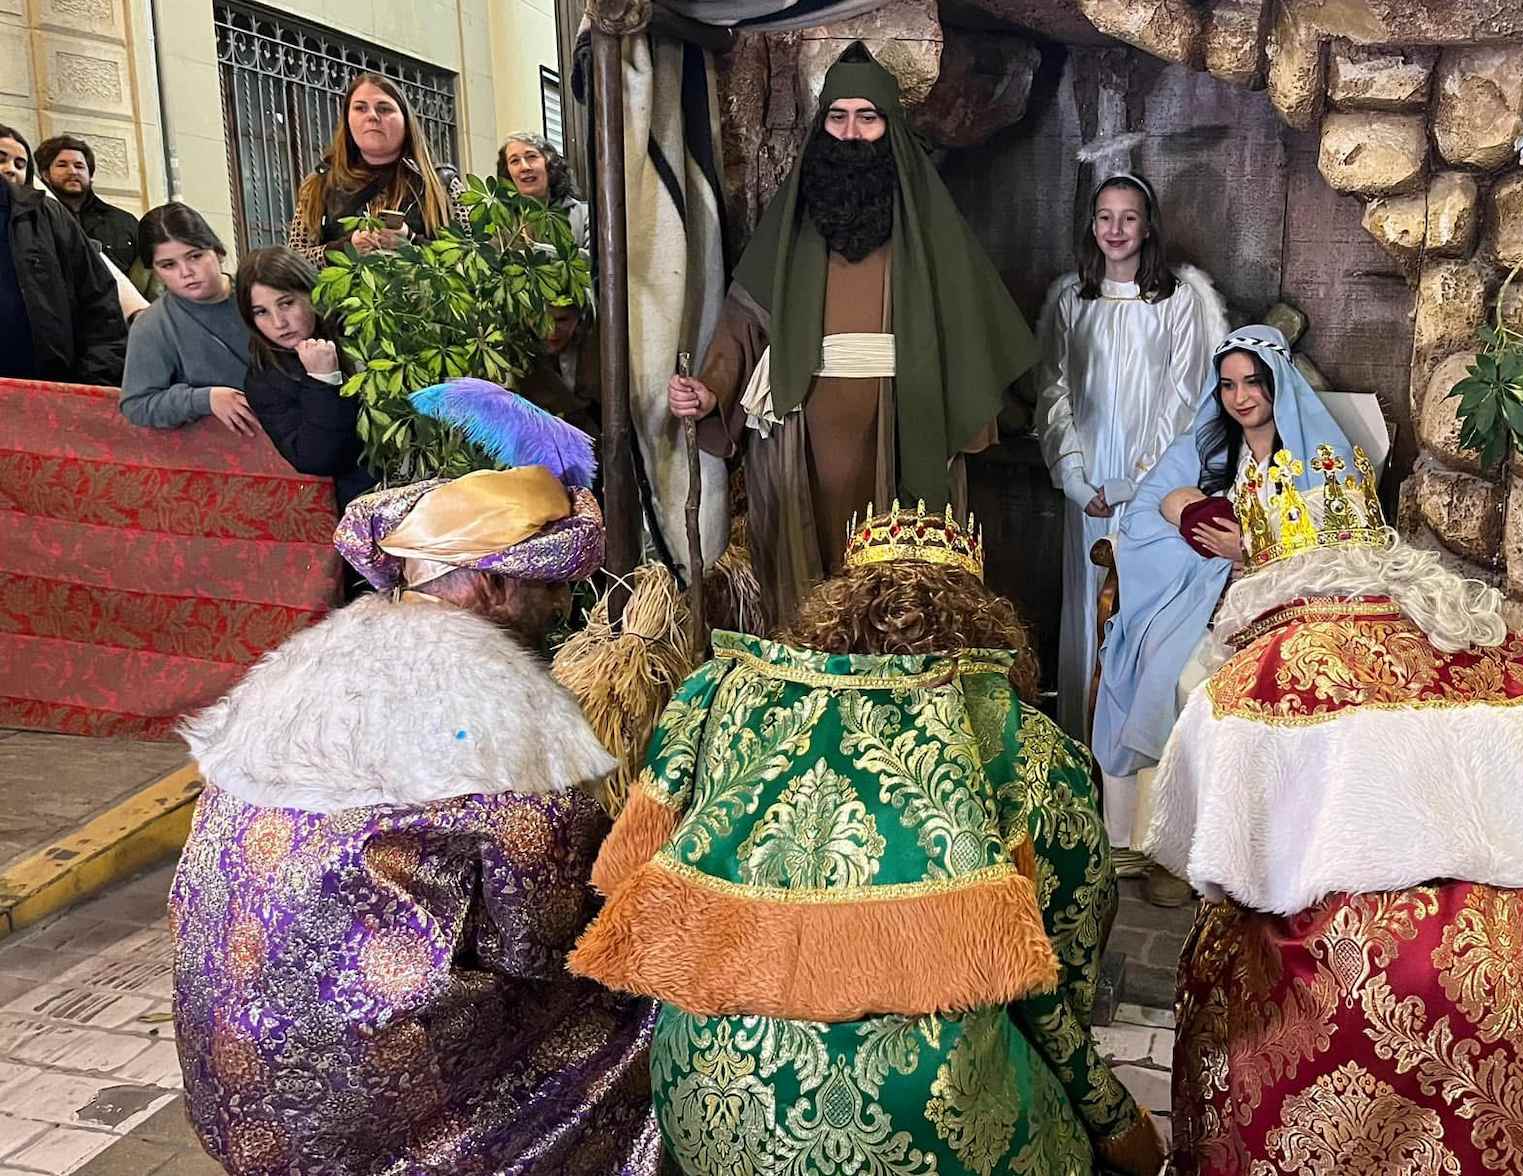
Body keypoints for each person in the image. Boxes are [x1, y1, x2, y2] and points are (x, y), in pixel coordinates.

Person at [1145, 451, 1523, 1175]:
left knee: (1230, 953)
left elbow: (1195, 850)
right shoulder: (1491, 641)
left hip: (1379, 981)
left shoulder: (1258, 673)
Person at [568, 503, 1163, 1176]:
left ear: (834, 610)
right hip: (932, 1115)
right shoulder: (1027, 747)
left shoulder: (719, 699)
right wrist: (1114, 1120)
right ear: (984, 616)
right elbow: (1057, 976)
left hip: (714, 1100)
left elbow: (627, 883)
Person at [172, 390, 662, 1174]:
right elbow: (542, 940)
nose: (564, 606)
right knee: (644, 1009)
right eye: (553, 586)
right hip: (350, 1111)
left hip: (229, 1080)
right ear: (493, 587)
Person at [666, 44, 1037, 626]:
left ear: (891, 128)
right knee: (807, 594)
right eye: (837, 117)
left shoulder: (929, 220)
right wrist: (710, 388)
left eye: (868, 117)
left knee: (901, 594)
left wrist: (1009, 403)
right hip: (800, 433)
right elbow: (745, 320)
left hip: (901, 423)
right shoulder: (791, 220)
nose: (851, 132)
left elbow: (975, 319)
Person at [1092, 325, 1351, 898]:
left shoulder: (1320, 454)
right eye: (1229, 385)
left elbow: (1343, 545)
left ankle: (1226, 853)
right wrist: (1187, 513)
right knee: (1166, 670)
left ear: (1276, 382)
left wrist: (1252, 548)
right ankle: (1161, 846)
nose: (1241, 397)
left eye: (1253, 383)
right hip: (1208, 599)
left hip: (1290, 605)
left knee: (1211, 689)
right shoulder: (1210, 445)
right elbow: (1148, 507)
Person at [1035, 170, 1226, 755]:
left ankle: (1126, 755)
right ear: (1092, 227)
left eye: (1129, 218)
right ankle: (1078, 746)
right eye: (1105, 217)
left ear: (1147, 228)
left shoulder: (1177, 302)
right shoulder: (1071, 301)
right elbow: (1054, 390)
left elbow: (1183, 396)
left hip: (1151, 484)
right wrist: (1075, 477)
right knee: (1086, 601)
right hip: (1087, 480)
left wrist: (1136, 483)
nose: (1115, 229)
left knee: (1140, 600)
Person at [235, 246, 375, 508]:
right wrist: (323, 381)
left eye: (286, 303)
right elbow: (316, 459)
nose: (279, 323)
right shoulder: (264, 378)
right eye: (261, 312)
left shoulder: (360, 318)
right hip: (366, 496)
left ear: (312, 293)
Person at [288, 73, 460, 265]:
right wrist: (345, 248)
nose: (372, 116)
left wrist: (411, 241)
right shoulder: (318, 184)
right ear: (347, 119)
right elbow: (294, 263)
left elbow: (472, 260)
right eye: (360, 108)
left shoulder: (443, 183)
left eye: (384, 109)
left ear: (406, 120)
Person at [0, 123, 125, 383]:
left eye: (21, 164)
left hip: (46, 383)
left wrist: (95, 377)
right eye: (1, 159)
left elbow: (99, 299)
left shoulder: (51, 216)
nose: (11, 169)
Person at [120, 203, 258, 435]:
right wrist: (204, 399)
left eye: (195, 256)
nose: (186, 272)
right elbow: (136, 405)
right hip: (226, 445)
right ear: (155, 271)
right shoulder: (152, 326)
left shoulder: (261, 295)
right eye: (168, 265)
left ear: (218, 252)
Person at [33, 133, 142, 281]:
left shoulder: (123, 221)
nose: (72, 171)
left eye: (79, 166)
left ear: (90, 175)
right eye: (62, 165)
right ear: (46, 175)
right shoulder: (34, 220)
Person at [498, 131, 590, 252]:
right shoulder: (499, 222)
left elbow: (596, 259)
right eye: (515, 161)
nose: (524, 167)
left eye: (531, 157)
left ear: (549, 164)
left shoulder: (584, 215)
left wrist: (535, 249)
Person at [516, 302, 599, 435]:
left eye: (561, 320)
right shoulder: (518, 358)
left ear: (578, 318)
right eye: (542, 320)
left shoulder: (593, 345)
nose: (552, 329)